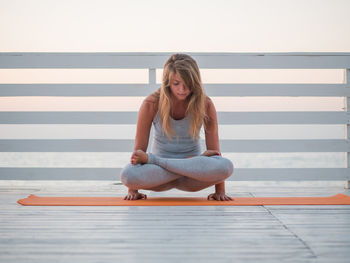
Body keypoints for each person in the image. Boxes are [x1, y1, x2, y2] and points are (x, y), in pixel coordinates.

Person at [120, 53, 234, 201]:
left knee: (226, 166)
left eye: (188, 84)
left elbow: (215, 153)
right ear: (167, 82)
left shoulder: (205, 104)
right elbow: (138, 152)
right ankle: (165, 163)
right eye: (176, 84)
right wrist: (133, 189)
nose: (182, 89)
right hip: (159, 176)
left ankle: (155, 160)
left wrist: (220, 191)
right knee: (128, 174)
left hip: (193, 177)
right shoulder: (151, 103)